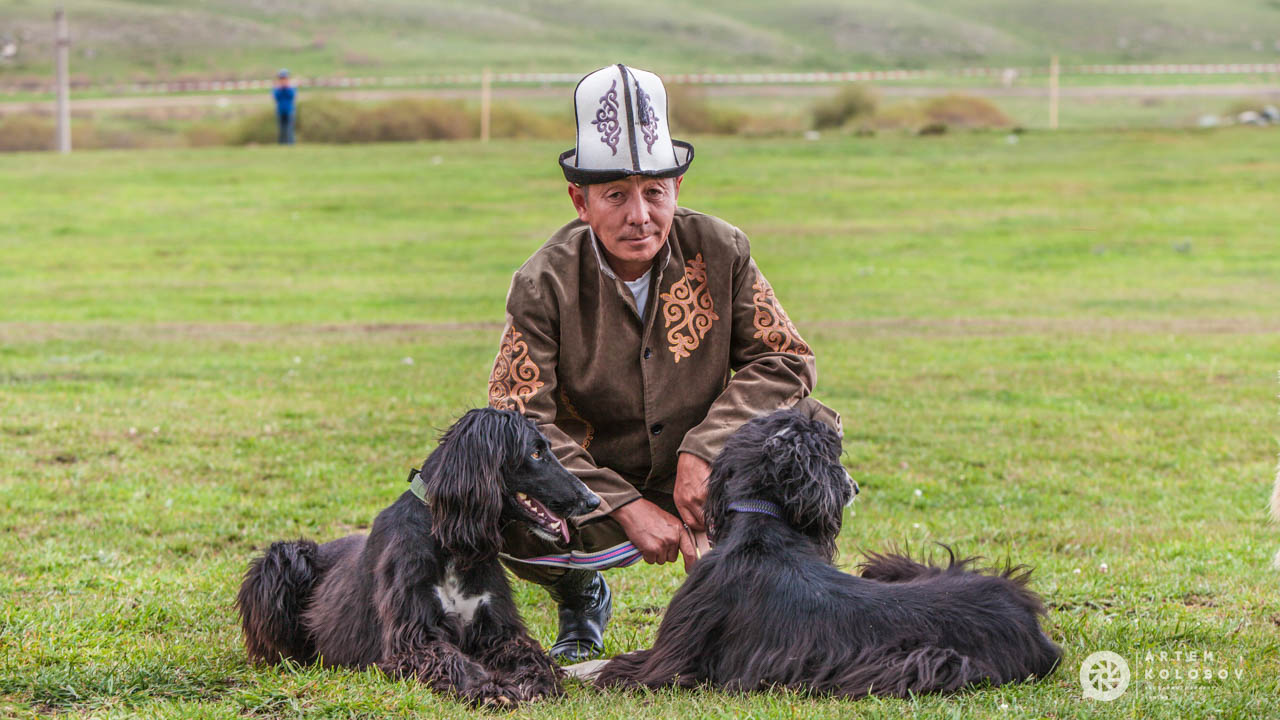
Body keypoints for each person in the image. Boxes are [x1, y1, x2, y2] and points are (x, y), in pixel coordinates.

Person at [487, 64, 841, 662]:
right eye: (615, 195)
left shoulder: (722, 249)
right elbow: (517, 417)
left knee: (810, 427)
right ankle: (579, 592)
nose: (640, 215)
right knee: (498, 489)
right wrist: (623, 505)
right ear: (580, 201)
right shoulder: (543, 282)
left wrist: (704, 452)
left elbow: (784, 359)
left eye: (655, 192)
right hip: (595, 475)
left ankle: (776, 595)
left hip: (713, 467)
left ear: (677, 187)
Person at [273, 69, 296, 145]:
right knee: (281, 129)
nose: (283, 80)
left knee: (289, 129)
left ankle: (290, 144)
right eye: (281, 78)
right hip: (280, 111)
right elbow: (276, 97)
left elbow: (292, 96)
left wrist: (287, 88)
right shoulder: (277, 88)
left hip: (289, 111)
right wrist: (280, 89)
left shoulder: (291, 88)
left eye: (285, 78)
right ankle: (281, 144)